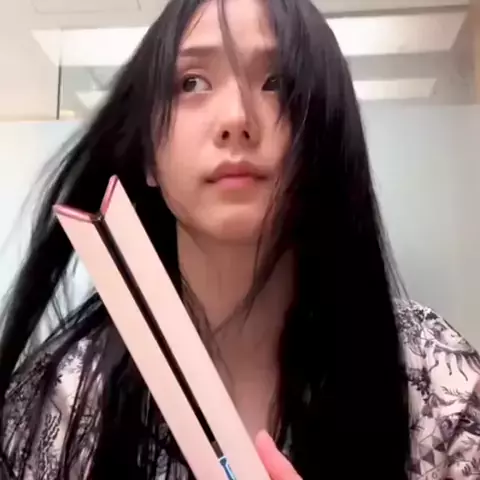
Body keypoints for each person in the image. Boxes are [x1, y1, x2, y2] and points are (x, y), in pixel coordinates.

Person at [0, 0, 479, 478]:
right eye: (191, 83)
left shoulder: (440, 385)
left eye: (278, 82)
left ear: (325, 138)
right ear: (148, 156)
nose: (235, 119)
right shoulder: (56, 406)